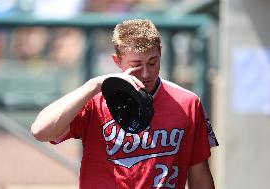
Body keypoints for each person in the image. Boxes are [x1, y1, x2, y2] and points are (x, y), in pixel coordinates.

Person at [31, 19, 218, 189]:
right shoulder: (95, 99)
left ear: (160, 52)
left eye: (152, 62)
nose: (145, 73)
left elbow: (200, 177)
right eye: (136, 65)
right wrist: (93, 85)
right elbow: (40, 131)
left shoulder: (188, 102)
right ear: (117, 61)